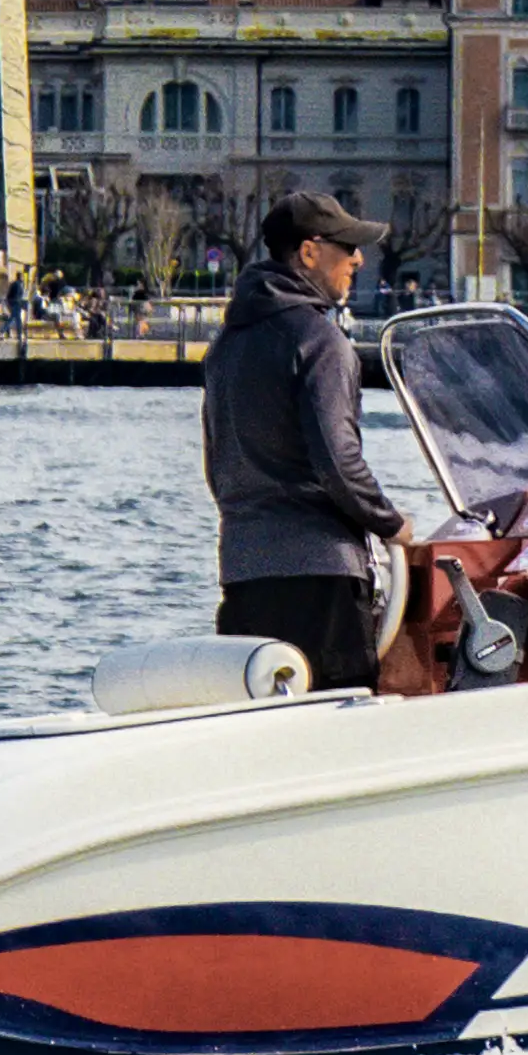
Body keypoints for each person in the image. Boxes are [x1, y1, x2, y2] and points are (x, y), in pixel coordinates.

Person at [204, 186, 403, 686]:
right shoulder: (321, 341)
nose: (358, 258)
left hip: (243, 574)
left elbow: (217, 463)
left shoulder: (226, 344)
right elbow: (338, 461)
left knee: (259, 733)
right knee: (338, 731)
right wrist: (391, 523)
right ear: (310, 252)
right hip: (321, 579)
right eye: (347, 246)